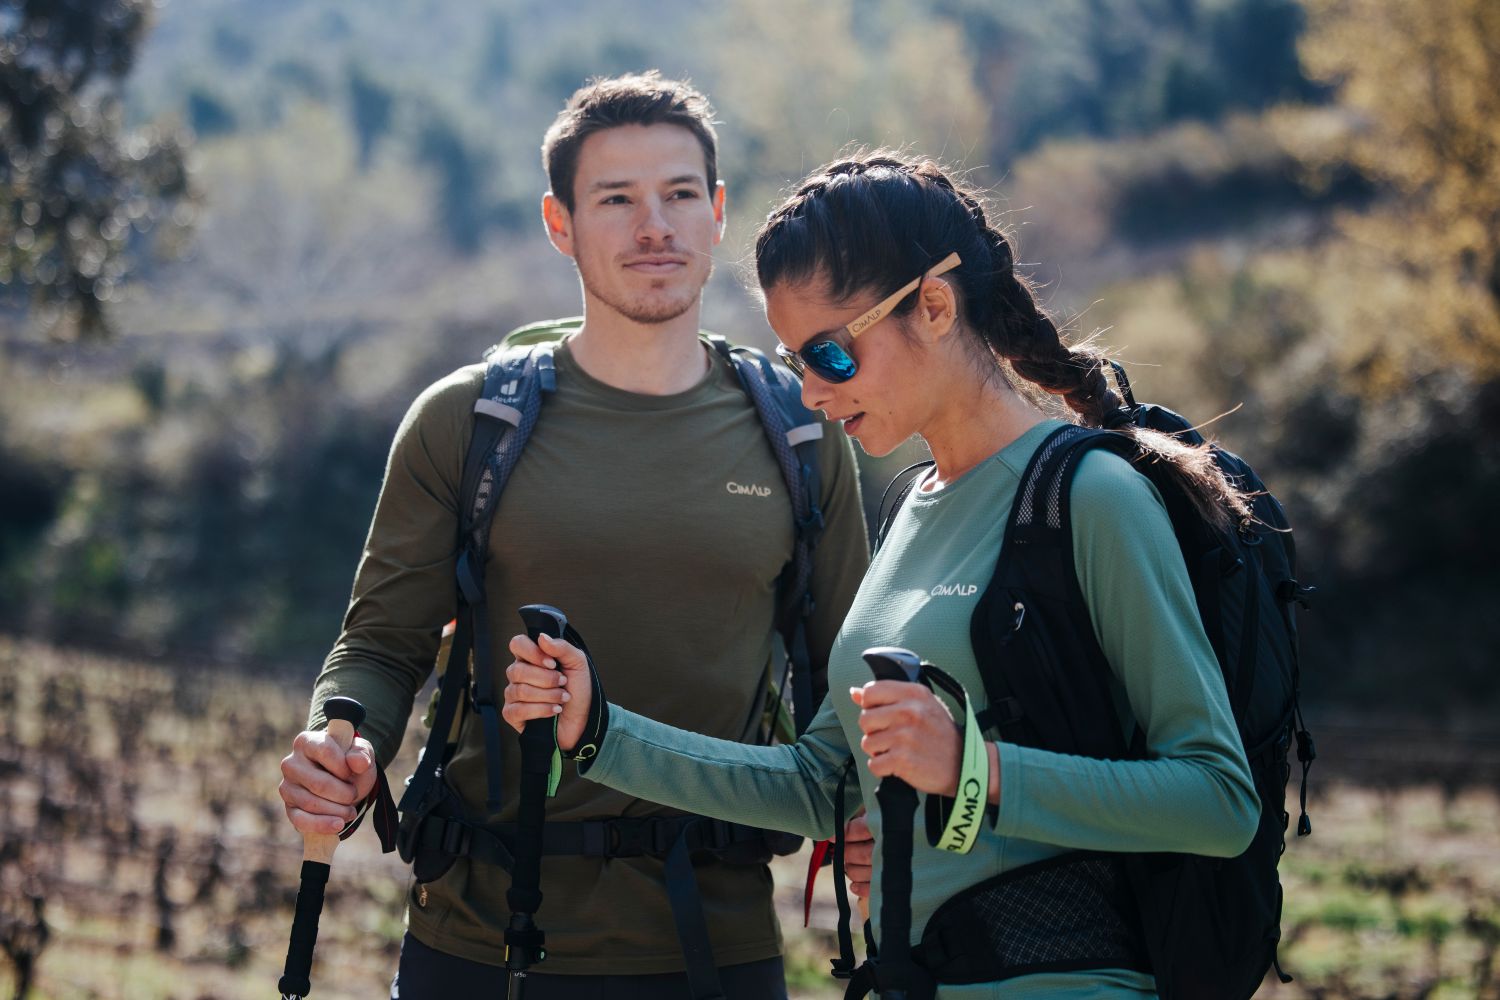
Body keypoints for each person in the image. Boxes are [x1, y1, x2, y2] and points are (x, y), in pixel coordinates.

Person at [503, 152, 1261, 998]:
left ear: (933, 305)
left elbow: (1218, 800)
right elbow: (819, 783)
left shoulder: (1090, 497)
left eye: (830, 355)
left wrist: (976, 771)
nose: (813, 395)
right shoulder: (910, 511)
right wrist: (598, 729)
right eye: (794, 363)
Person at [276, 73, 870, 1000]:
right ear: (561, 224)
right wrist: (338, 739)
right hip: (483, 942)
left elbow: (849, 677)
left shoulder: (804, 431)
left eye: (679, 195)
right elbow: (382, 645)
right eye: (616, 200)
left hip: (720, 943)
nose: (654, 227)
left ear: (717, 216)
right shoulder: (465, 422)